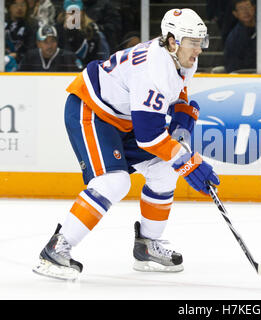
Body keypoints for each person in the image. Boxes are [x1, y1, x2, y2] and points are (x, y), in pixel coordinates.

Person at [32, 8, 220, 281]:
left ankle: (147, 246)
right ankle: (55, 249)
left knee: (165, 171)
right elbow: (149, 137)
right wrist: (189, 162)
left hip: (125, 118)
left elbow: (177, 91)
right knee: (114, 182)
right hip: (92, 110)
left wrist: (181, 120)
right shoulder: (152, 70)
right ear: (172, 40)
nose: (199, 49)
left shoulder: (183, 59)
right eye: (193, 41)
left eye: (201, 41)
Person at [55, 0, 110, 67]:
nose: (74, 15)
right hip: (63, 70)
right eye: (71, 12)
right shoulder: (58, 29)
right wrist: (66, 32)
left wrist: (77, 33)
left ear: (82, 12)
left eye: (77, 12)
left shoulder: (91, 30)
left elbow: (92, 55)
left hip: (87, 68)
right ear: (65, 13)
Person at [5, 0, 37, 64]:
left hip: (23, 65)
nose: (19, 8)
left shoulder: (32, 25)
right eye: (15, 4)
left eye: (22, 4)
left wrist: (17, 55)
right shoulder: (3, 24)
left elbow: (32, 51)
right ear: (9, 7)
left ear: (27, 7)